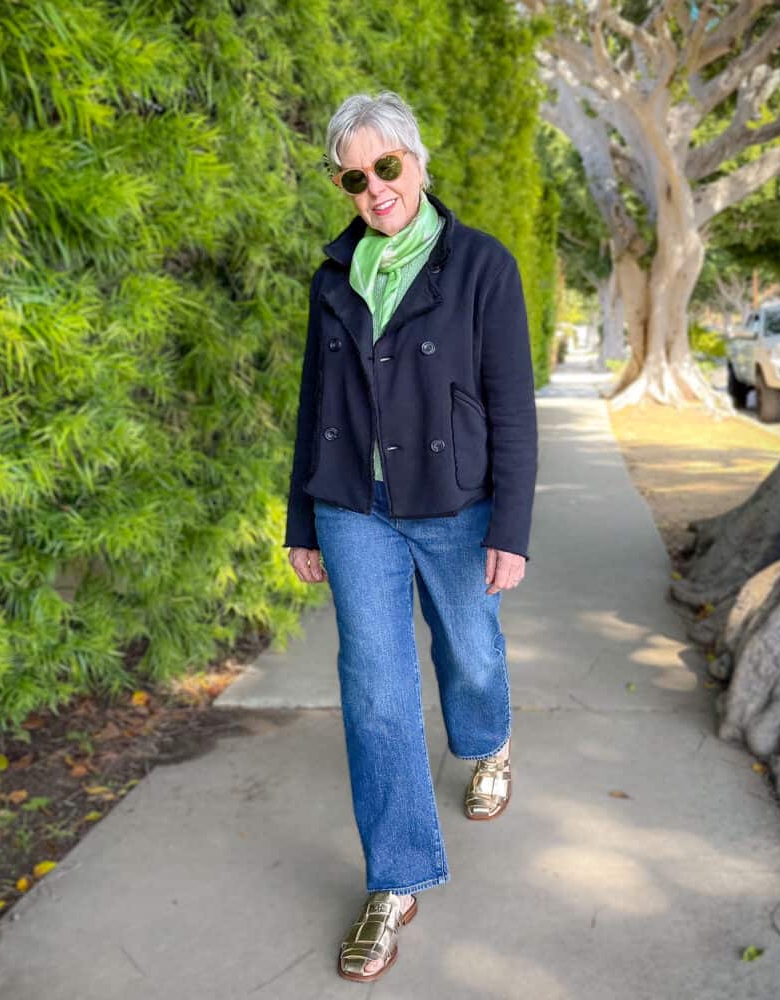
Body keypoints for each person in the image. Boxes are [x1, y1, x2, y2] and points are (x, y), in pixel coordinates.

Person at [284, 91, 538, 983]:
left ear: (417, 163)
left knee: (470, 649)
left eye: (385, 167)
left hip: (457, 503)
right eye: (354, 176)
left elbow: (511, 404)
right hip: (356, 506)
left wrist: (512, 525)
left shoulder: (481, 265)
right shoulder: (332, 275)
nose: (373, 189)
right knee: (378, 692)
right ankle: (395, 882)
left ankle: (488, 740)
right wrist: (301, 516)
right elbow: (316, 405)